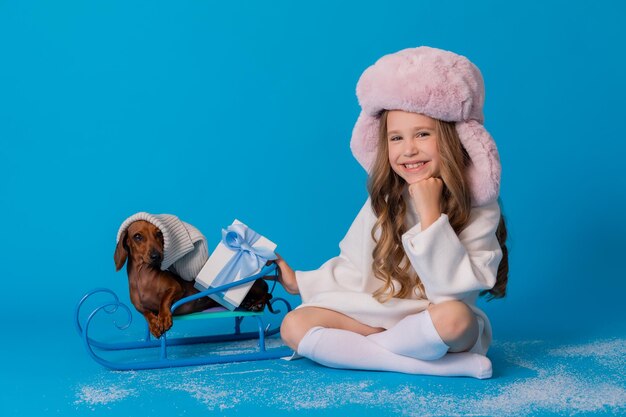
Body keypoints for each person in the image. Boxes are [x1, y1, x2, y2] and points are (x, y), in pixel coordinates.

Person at [275, 46, 508, 379]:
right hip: (381, 313)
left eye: (423, 134)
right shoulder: (385, 198)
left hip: (435, 318)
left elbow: (450, 294)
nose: (408, 149)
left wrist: (431, 217)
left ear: (455, 138)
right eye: (396, 138)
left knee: (457, 319)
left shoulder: (479, 207)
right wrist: (300, 282)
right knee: (294, 324)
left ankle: (373, 352)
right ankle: (414, 362)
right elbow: (355, 265)